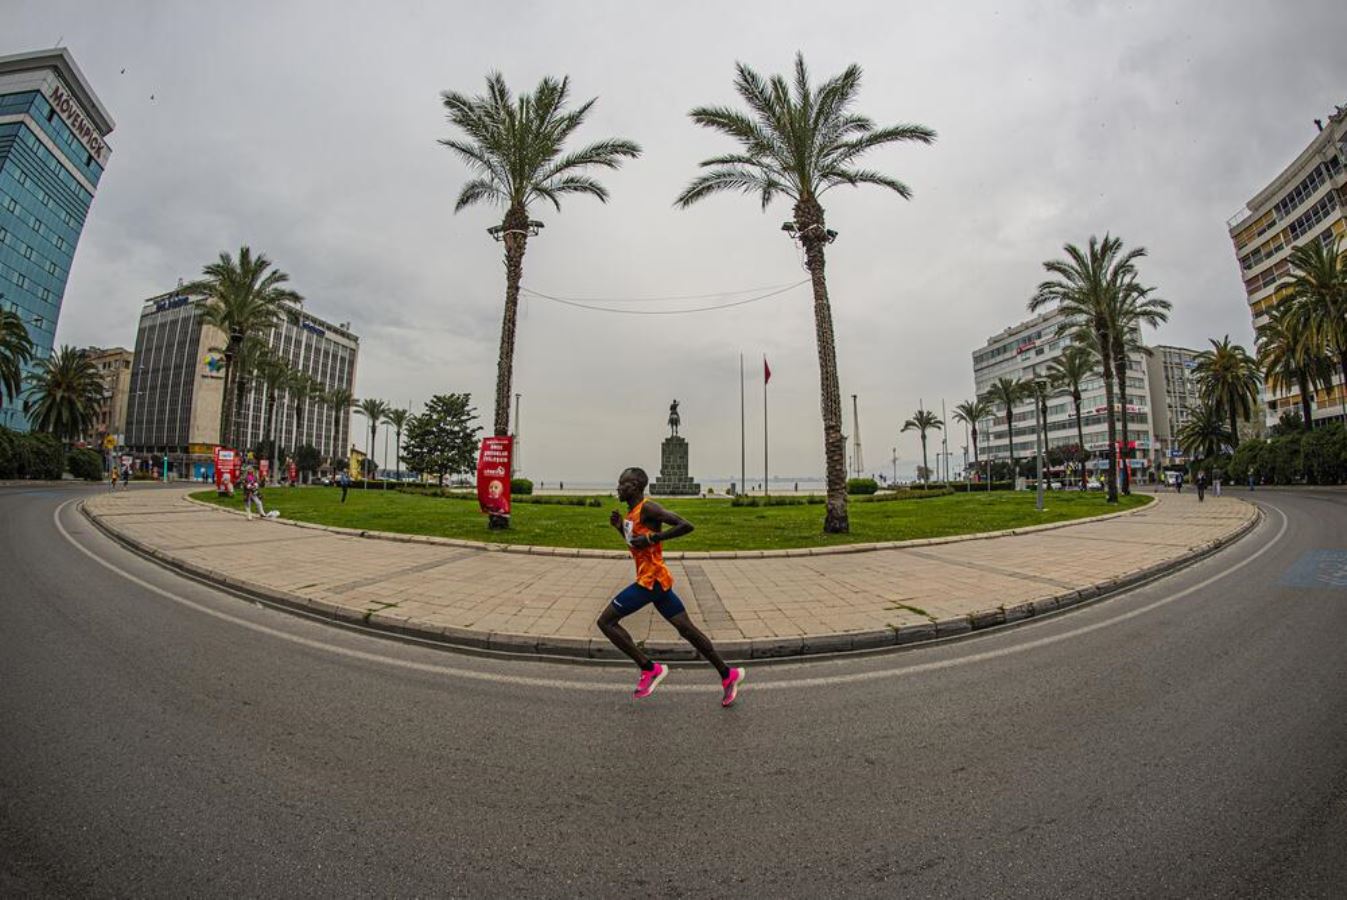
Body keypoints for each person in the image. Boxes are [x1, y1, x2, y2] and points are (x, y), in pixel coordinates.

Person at [597, 466, 745, 707]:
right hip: (655, 579)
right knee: (687, 629)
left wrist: (653, 538)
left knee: (606, 622)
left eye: (622, 484)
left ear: (634, 486)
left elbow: (686, 525)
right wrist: (618, 529)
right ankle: (728, 674)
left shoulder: (648, 508)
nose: (618, 488)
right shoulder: (632, 513)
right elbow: (636, 546)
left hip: (650, 581)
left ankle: (649, 668)